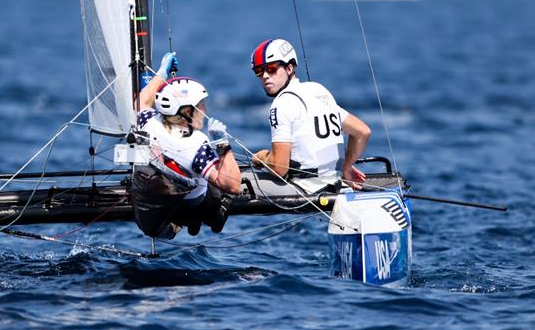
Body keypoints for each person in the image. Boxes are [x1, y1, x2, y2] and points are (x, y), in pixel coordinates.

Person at [130, 52, 241, 239]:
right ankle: (214, 217)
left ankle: (181, 225)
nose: (204, 109)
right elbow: (232, 185)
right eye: (201, 105)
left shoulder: (148, 122)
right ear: (188, 111)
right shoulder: (197, 144)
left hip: (162, 204)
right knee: (220, 185)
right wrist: (223, 145)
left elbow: (140, 103)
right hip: (192, 207)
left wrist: (161, 73)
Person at [250, 39, 371, 190]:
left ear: (289, 68)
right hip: (336, 184)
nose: (265, 76)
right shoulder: (319, 90)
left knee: (229, 182)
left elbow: (279, 168)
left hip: (305, 188)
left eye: (271, 68)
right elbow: (362, 132)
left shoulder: (281, 103)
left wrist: (262, 157)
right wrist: (346, 167)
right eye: (259, 71)